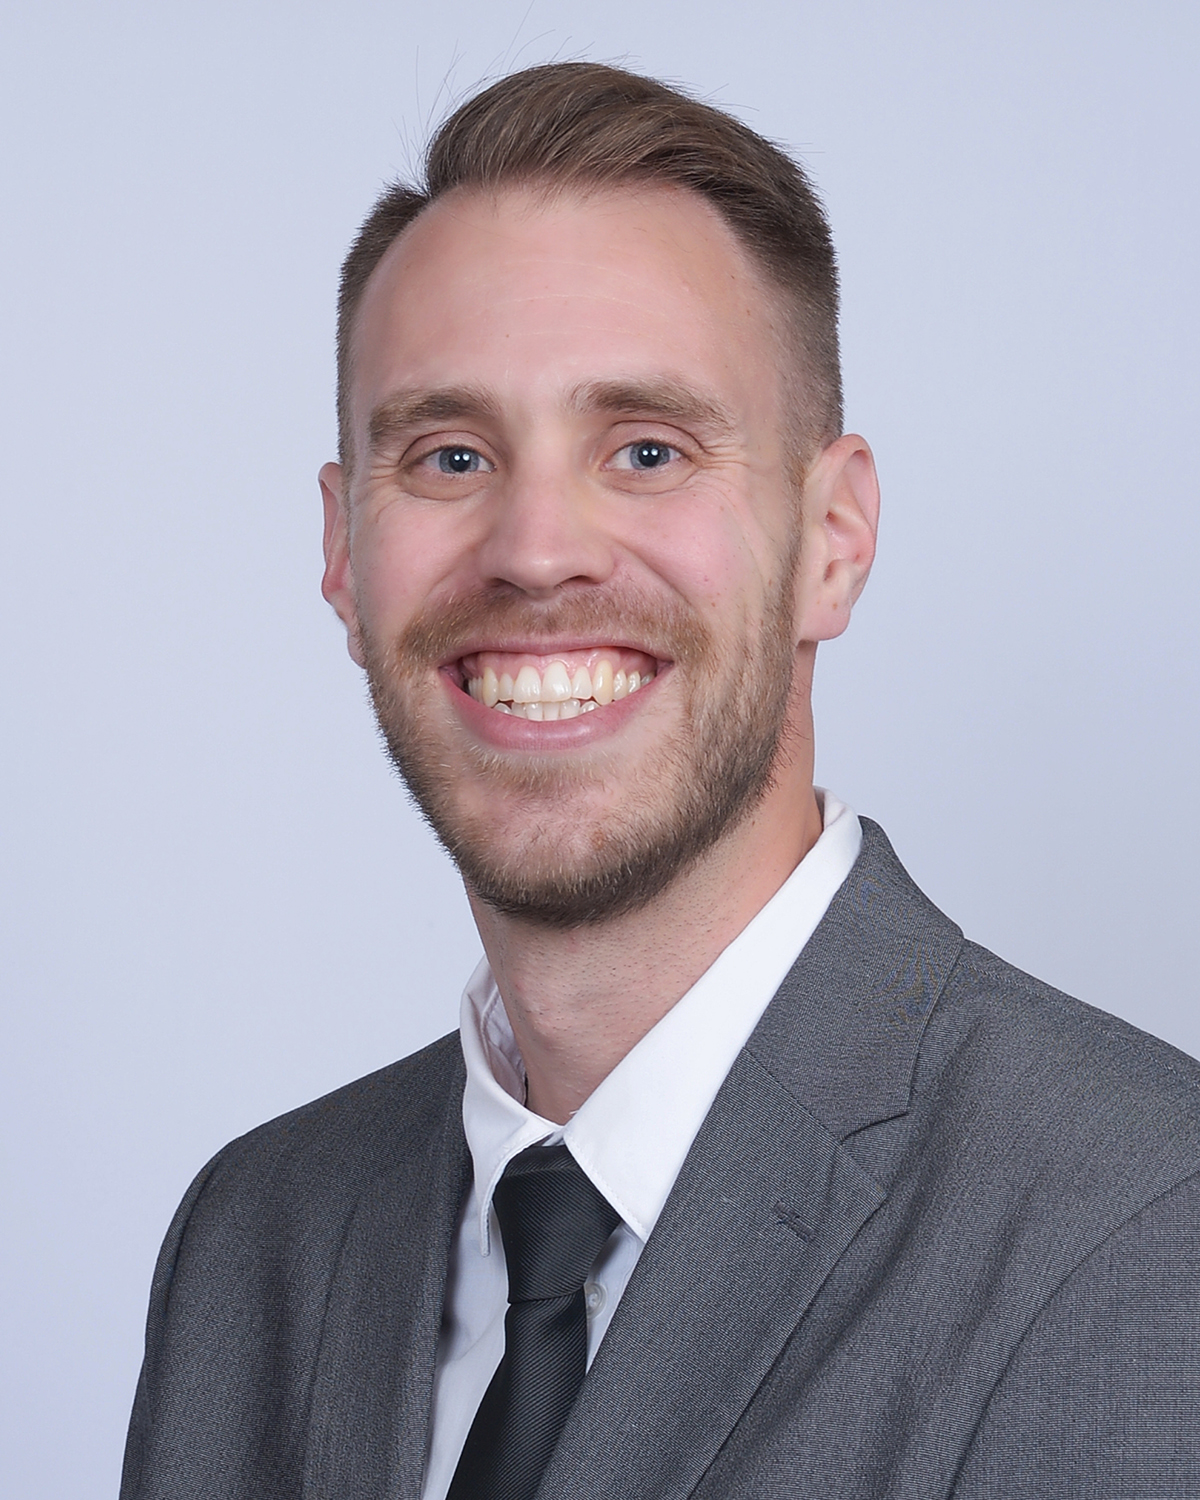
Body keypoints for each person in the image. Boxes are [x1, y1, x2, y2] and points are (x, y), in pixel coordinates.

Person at [120, 62, 1200, 1500]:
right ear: (341, 551)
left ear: (833, 540)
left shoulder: (1139, 1230)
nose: (536, 549)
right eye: (451, 455)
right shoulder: (255, 1238)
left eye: (647, 449)